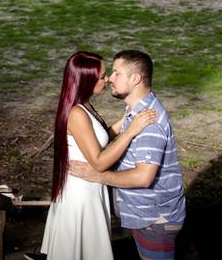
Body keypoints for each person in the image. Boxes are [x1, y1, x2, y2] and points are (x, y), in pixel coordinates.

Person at [70, 49, 186, 260]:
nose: (110, 79)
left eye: (116, 73)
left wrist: (100, 176)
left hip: (155, 219)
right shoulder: (136, 113)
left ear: (135, 79)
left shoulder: (149, 122)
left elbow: (143, 177)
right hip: (145, 215)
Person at [40, 51, 157, 260]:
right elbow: (99, 162)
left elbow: (98, 141)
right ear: (86, 80)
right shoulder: (76, 113)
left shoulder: (85, 105)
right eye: (102, 76)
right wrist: (131, 131)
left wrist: (125, 121)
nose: (108, 79)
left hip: (91, 189)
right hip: (81, 196)